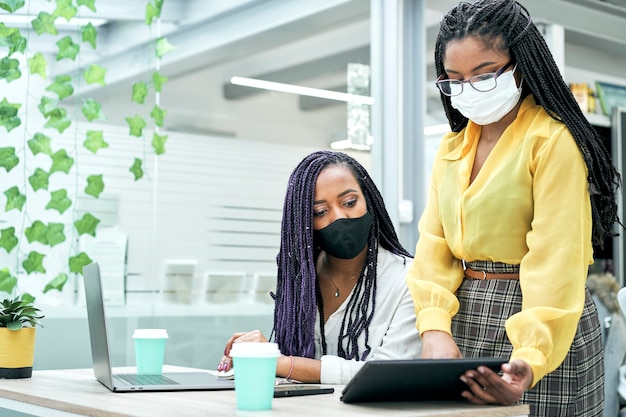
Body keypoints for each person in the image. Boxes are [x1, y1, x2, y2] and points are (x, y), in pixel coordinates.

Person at [406, 0, 621, 416]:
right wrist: (434, 326)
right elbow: (433, 246)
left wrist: (531, 357)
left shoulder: (551, 141)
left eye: (484, 75)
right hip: (465, 316)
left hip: (541, 321)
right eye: (455, 80)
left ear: (520, 66)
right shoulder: (452, 147)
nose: (468, 89)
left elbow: (555, 263)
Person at [217, 150, 421, 384]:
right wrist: (257, 353)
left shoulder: (411, 278)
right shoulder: (300, 279)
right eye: (320, 212)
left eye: (350, 202)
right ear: (305, 221)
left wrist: (278, 362)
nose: (339, 217)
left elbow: (389, 374)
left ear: (369, 201)